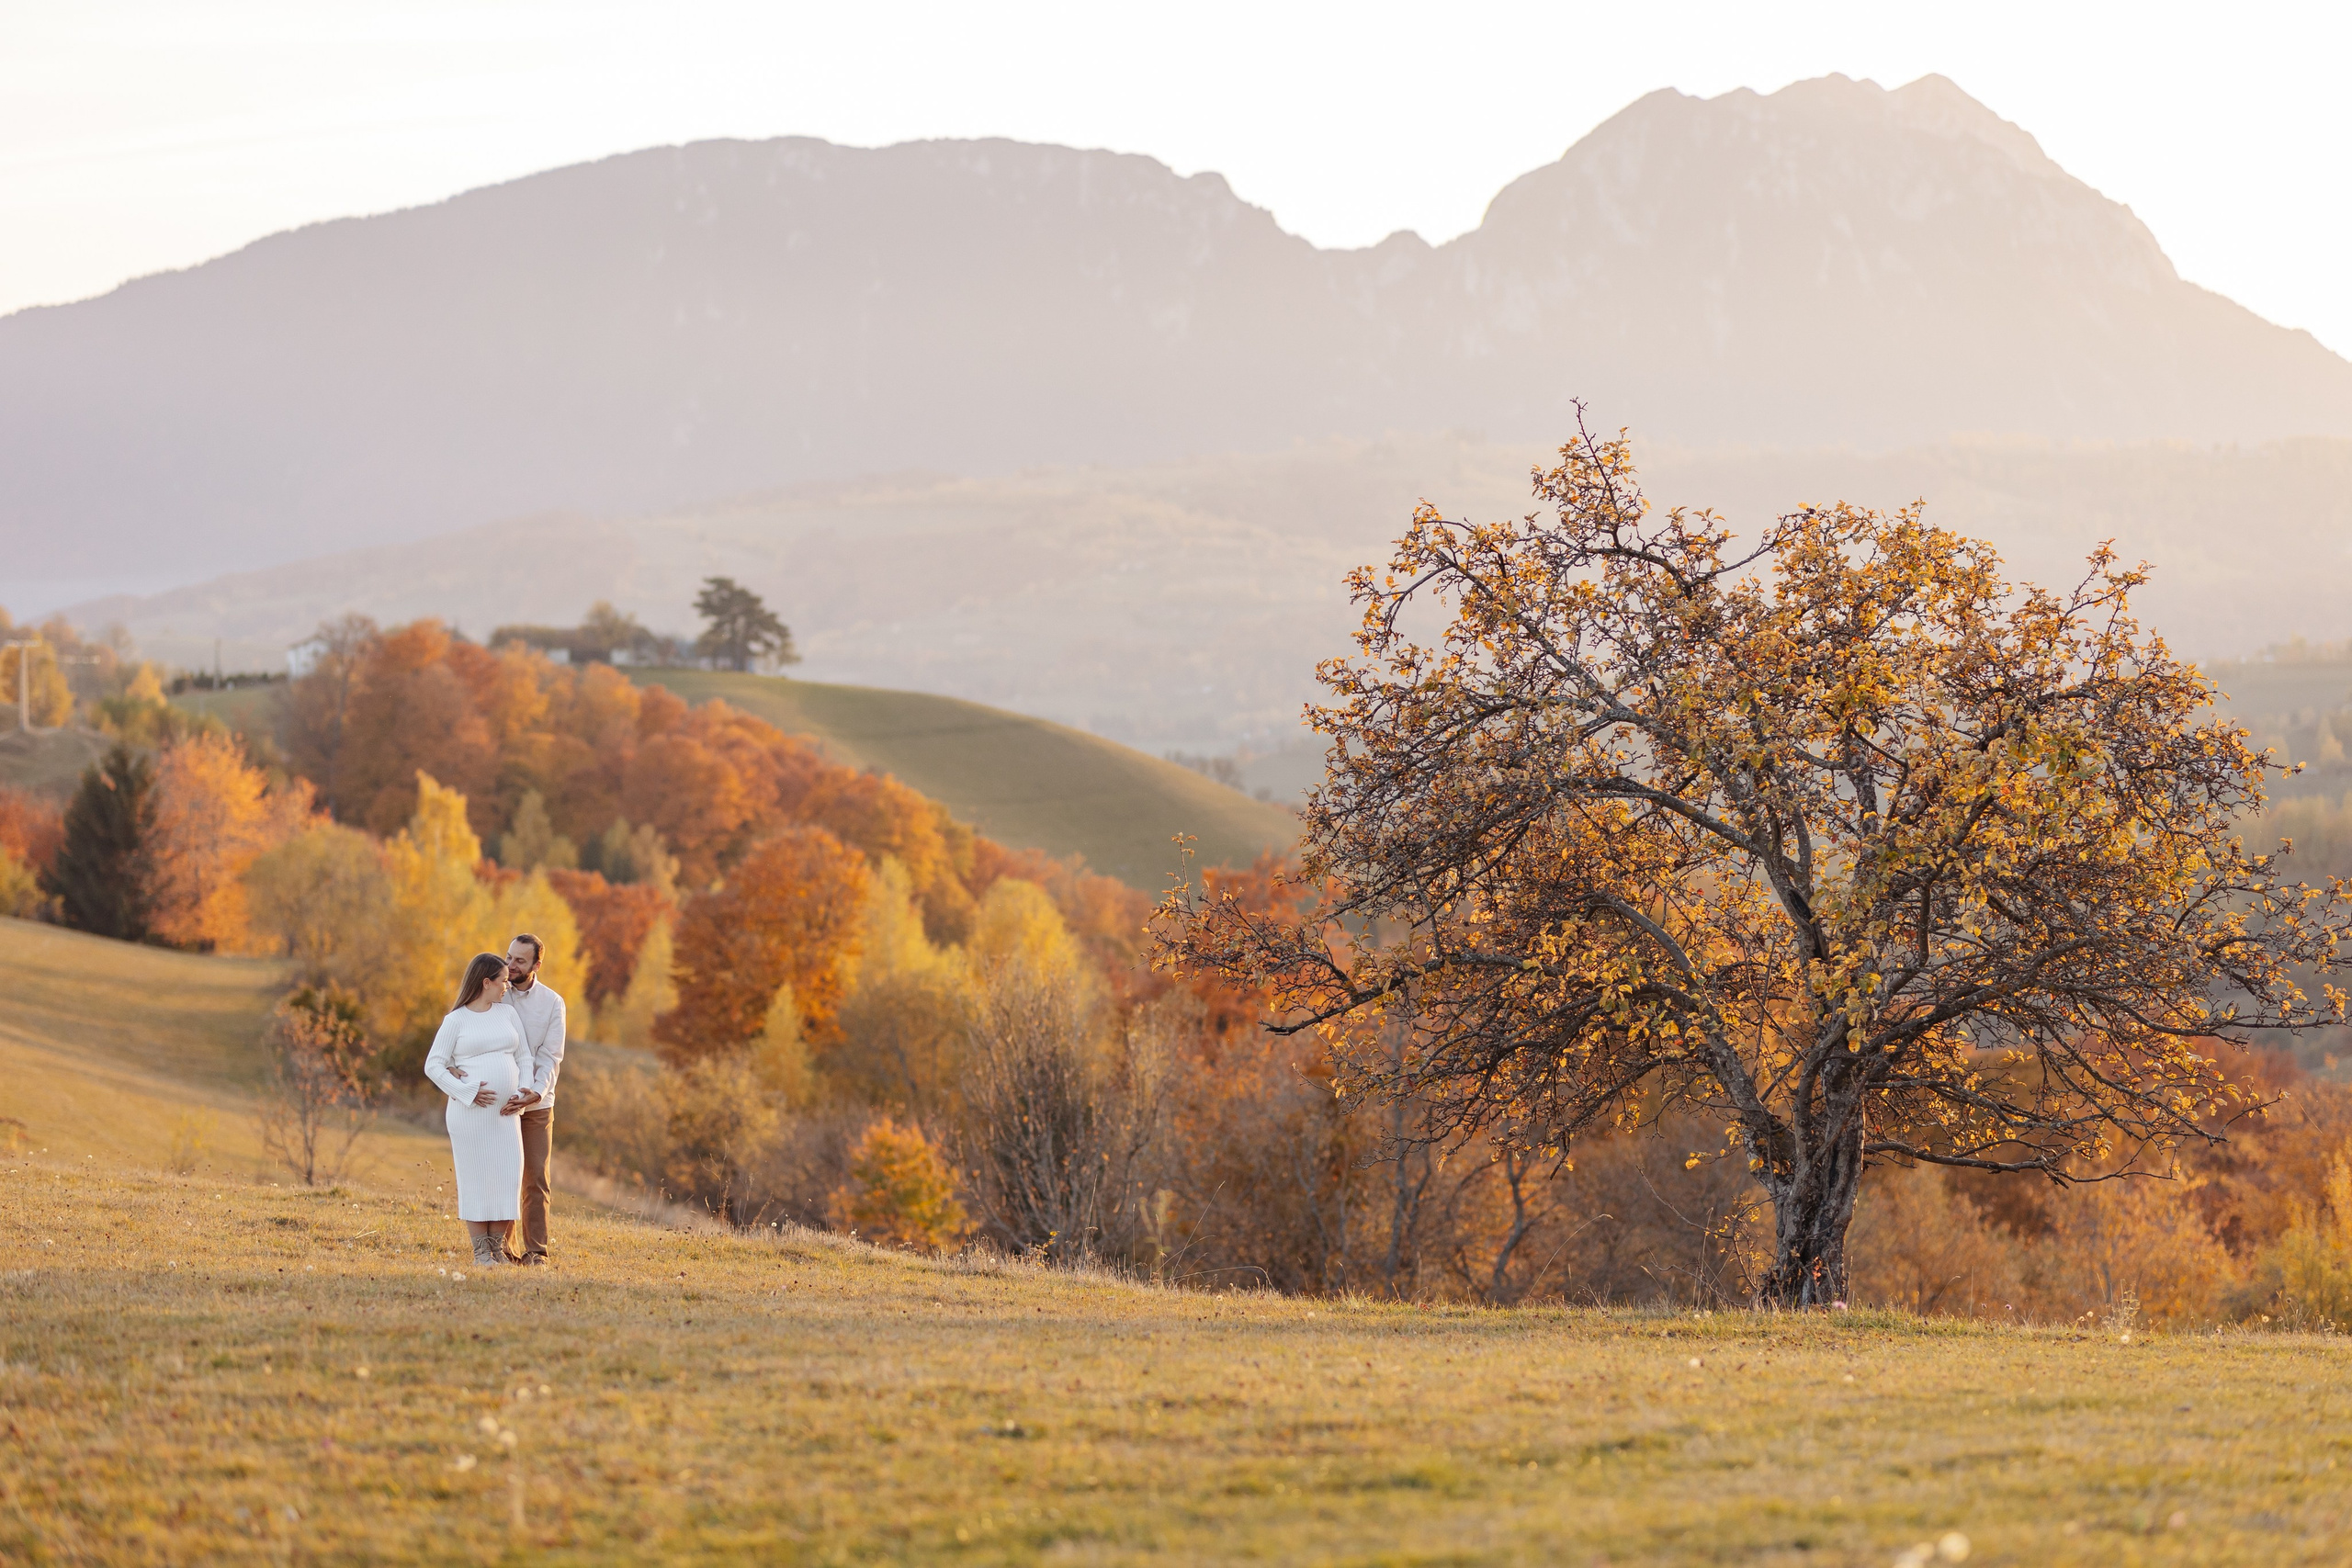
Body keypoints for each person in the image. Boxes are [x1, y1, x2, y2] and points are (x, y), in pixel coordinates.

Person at [423, 953, 531, 1268]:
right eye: (503, 982)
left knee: (507, 1176)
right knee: (477, 1178)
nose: (507, 987)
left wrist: (523, 1091)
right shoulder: (456, 1021)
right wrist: (468, 1091)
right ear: (486, 983)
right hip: (471, 1116)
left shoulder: (507, 1014)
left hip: (507, 1115)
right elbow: (434, 1066)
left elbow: (524, 1057)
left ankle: (497, 1249)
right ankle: (480, 1253)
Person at [499, 932, 568, 1265]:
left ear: (536, 965)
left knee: (536, 1177)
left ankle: (536, 1252)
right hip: (500, 1101)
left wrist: (535, 1092)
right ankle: (501, 1248)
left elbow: (550, 1057)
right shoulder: (495, 993)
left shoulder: (553, 1003)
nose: (510, 965)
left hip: (538, 1104)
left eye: (519, 961)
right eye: (509, 957)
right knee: (503, 1174)